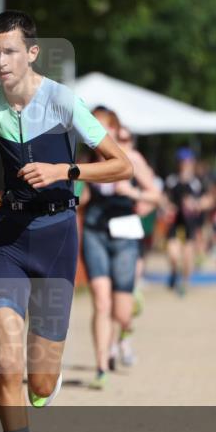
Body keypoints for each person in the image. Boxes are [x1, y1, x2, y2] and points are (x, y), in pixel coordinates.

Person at [0, 11, 132, 432]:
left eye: (10, 52)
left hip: (58, 241)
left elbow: (118, 163)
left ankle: (43, 381)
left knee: (37, 378)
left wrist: (65, 170)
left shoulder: (62, 101)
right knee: (6, 362)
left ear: (31, 53)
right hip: (8, 238)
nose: (0, 62)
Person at [79, 114, 160, 386]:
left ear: (114, 130)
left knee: (121, 313)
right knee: (101, 301)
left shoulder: (132, 160)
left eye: (106, 127)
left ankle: (126, 326)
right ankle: (101, 366)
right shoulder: (90, 161)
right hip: (95, 232)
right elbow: (83, 198)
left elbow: (155, 196)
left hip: (125, 233)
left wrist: (133, 194)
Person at [164, 147, 207, 296]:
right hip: (174, 222)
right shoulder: (171, 180)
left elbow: (208, 200)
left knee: (188, 257)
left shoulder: (197, 183)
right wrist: (167, 207)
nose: (185, 164)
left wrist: (196, 204)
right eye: (183, 162)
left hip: (190, 223)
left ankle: (184, 283)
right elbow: (164, 198)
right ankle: (174, 272)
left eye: (188, 162)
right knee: (174, 255)